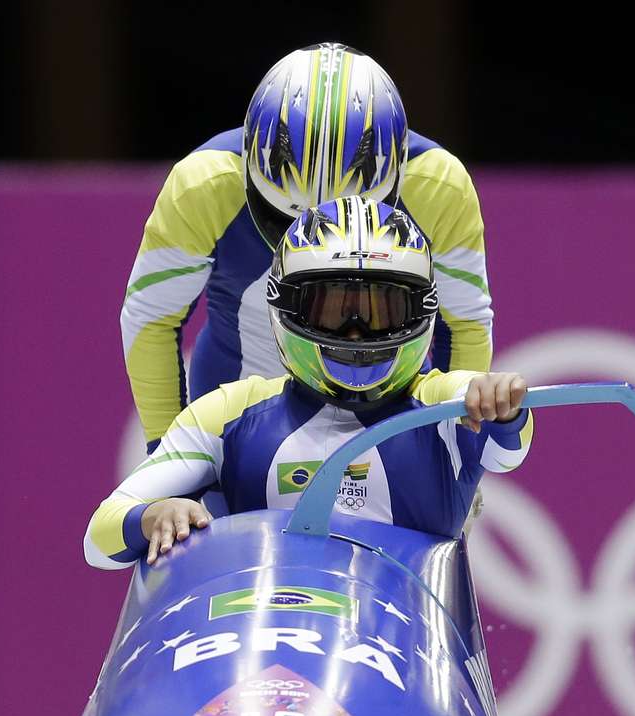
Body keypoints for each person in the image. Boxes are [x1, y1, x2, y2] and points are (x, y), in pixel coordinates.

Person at [86, 198, 528, 570]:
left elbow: (510, 447)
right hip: (261, 648)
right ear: (288, 308)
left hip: (408, 652)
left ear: (420, 312)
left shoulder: (443, 405)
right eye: (334, 309)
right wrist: (154, 516)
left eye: (380, 312)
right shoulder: (227, 412)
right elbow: (99, 538)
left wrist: (502, 403)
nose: (356, 332)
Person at [121, 42, 494, 455]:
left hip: (391, 422)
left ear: (399, 174)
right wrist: (169, 459)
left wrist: (457, 451)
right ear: (248, 165)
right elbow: (151, 320)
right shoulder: (203, 184)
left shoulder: (439, 187)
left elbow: (463, 326)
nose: (306, 246)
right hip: (238, 418)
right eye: (282, 220)